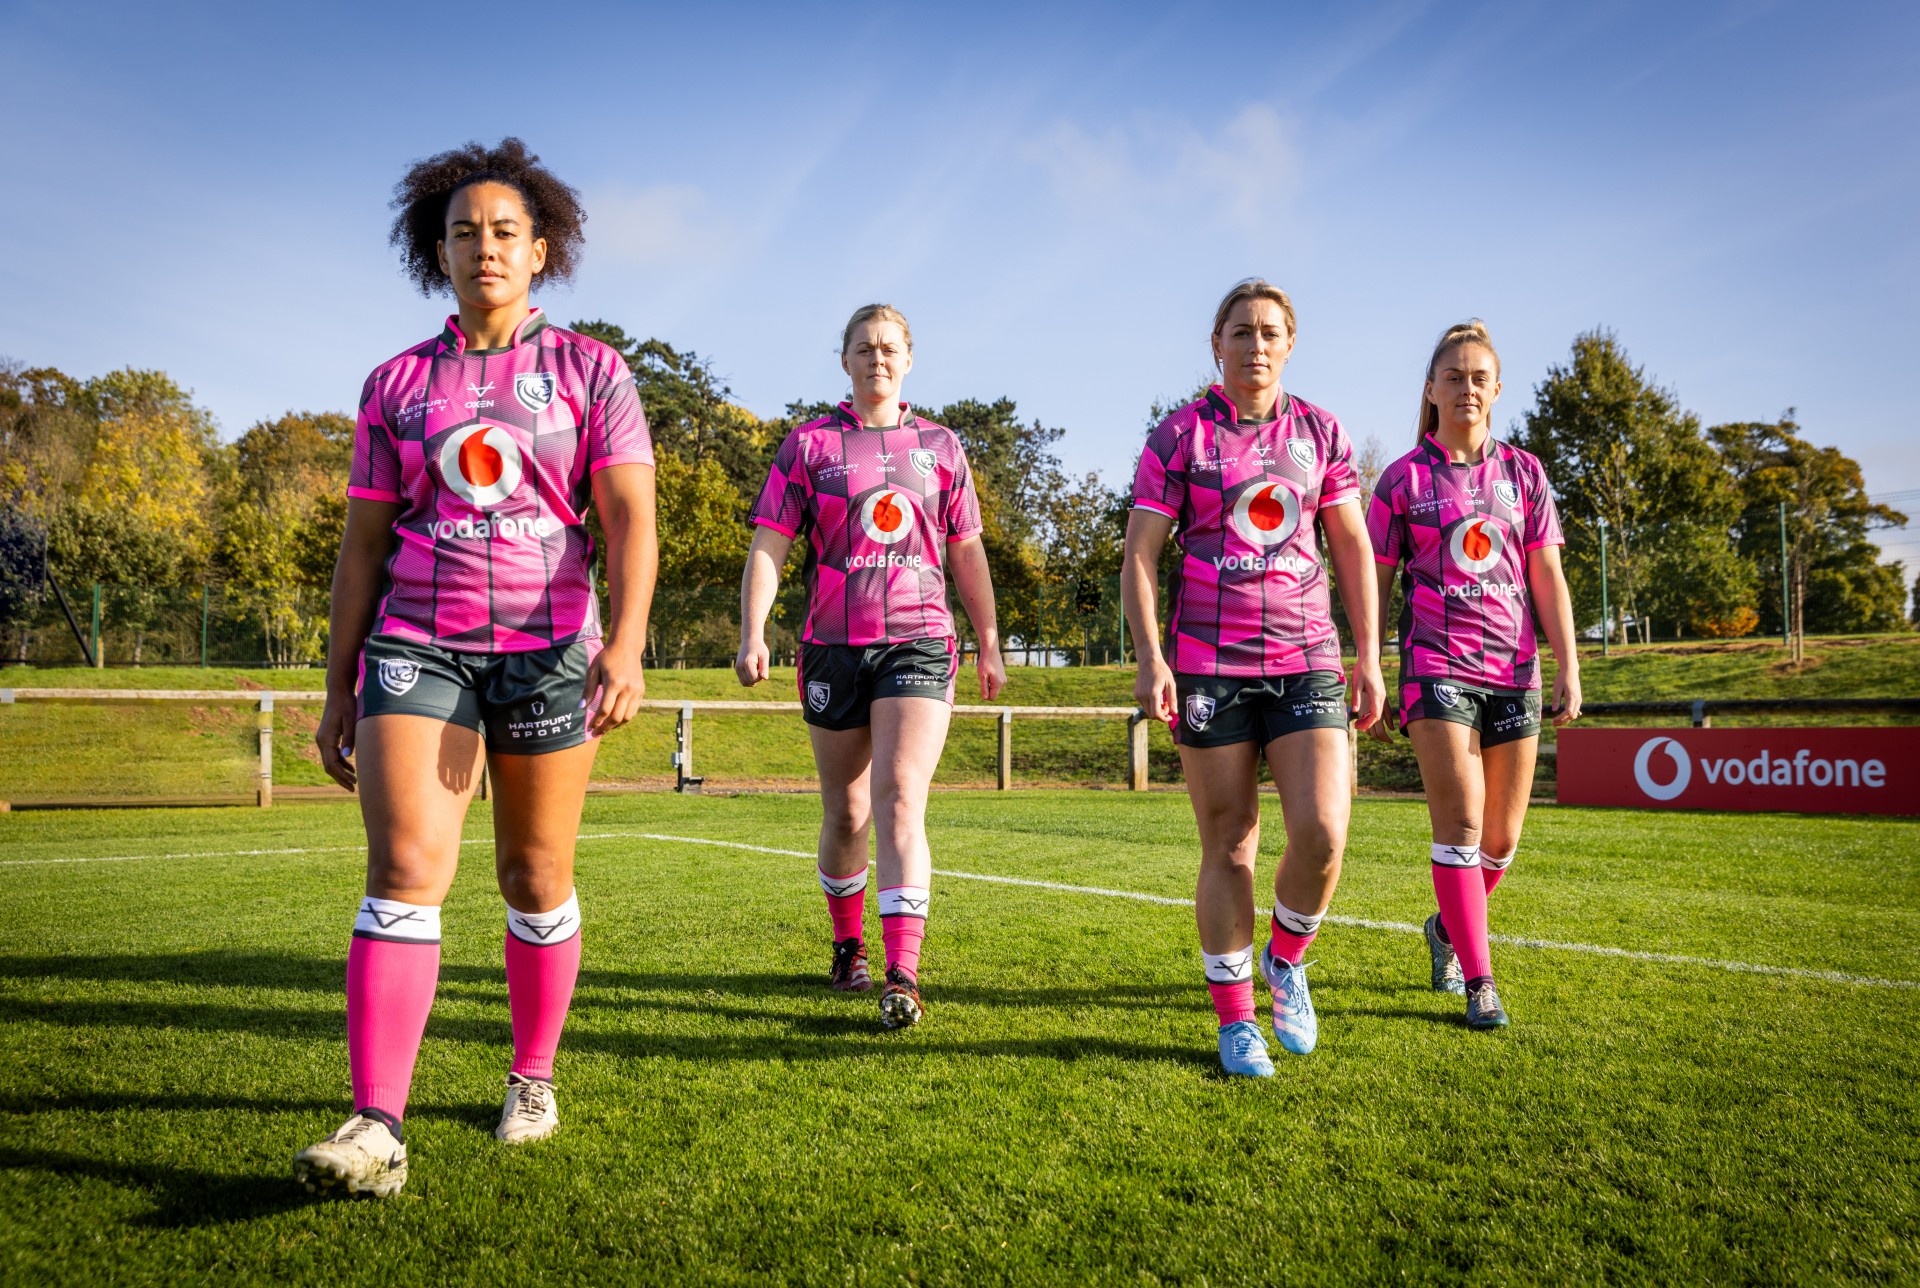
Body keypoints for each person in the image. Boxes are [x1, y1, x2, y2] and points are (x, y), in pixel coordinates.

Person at [295, 139, 657, 1196]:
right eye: (463, 232)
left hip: (550, 654)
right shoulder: (398, 382)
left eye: (504, 231)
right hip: (419, 640)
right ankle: (376, 1123)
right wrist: (336, 685)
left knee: (532, 876)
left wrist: (625, 643)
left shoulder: (595, 371)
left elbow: (632, 519)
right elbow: (361, 547)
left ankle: (532, 1075)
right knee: (406, 868)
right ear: (437, 252)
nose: (484, 247)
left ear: (540, 251)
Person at [1123, 279, 1385, 1078]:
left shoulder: (1322, 432)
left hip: (1308, 657)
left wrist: (1370, 654)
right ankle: (1236, 1021)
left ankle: (1285, 957)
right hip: (1207, 662)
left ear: (1291, 344)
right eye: (1241, 331)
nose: (1256, 344)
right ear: (1217, 346)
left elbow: (1351, 548)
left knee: (1323, 834)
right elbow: (1140, 553)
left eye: (1271, 332)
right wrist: (1150, 655)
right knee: (1230, 842)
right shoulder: (1180, 437)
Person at [735, 304, 1005, 1030]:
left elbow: (967, 549)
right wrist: (753, 630)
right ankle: (847, 946)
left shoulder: (942, 447)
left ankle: (903, 971)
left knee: (897, 796)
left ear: (909, 359)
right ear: (845, 360)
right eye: (863, 348)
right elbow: (770, 543)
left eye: (889, 348)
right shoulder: (809, 447)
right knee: (847, 810)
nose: (877, 359)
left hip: (919, 639)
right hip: (831, 645)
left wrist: (990, 636)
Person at [1367, 319, 1581, 1030]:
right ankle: (1480, 982)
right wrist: (1369, 661)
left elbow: (1546, 574)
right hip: (1436, 667)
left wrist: (1568, 665)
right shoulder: (1402, 479)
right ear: (1430, 389)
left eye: (1478, 377)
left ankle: (1446, 927)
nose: (1465, 388)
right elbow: (1375, 580)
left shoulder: (1526, 474)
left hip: (1515, 670)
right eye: (1452, 376)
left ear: (1496, 389)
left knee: (1501, 841)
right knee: (1459, 825)